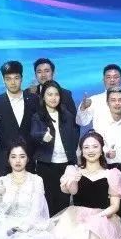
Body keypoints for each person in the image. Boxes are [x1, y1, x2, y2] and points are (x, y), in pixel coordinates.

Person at [49, 131, 121, 239]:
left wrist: (97, 217)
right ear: (82, 151)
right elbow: (71, 191)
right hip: (77, 216)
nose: (90, 150)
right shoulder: (74, 170)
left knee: (89, 234)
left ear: (102, 150)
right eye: (86, 147)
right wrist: (72, 180)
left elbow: (115, 206)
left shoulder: (112, 174)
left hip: (103, 218)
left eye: (95, 146)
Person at [30, 80, 86, 215]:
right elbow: (33, 133)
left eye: (56, 94)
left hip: (65, 165)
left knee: (63, 202)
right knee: (48, 202)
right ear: (43, 97)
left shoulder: (67, 115)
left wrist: (73, 159)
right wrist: (42, 136)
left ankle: (61, 228)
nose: (53, 98)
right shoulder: (38, 116)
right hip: (46, 165)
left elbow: (74, 135)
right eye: (49, 94)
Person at [92, 87, 121, 223]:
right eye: (113, 100)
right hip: (103, 167)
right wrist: (106, 152)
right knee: (103, 201)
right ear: (107, 102)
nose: (117, 103)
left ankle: (120, 232)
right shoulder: (100, 120)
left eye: (120, 100)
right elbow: (96, 143)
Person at [0, 61, 41, 176]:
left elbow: (40, 124)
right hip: (4, 159)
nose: (12, 82)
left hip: (28, 157)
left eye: (16, 78)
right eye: (8, 79)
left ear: (21, 78)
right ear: (3, 80)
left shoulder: (33, 99)